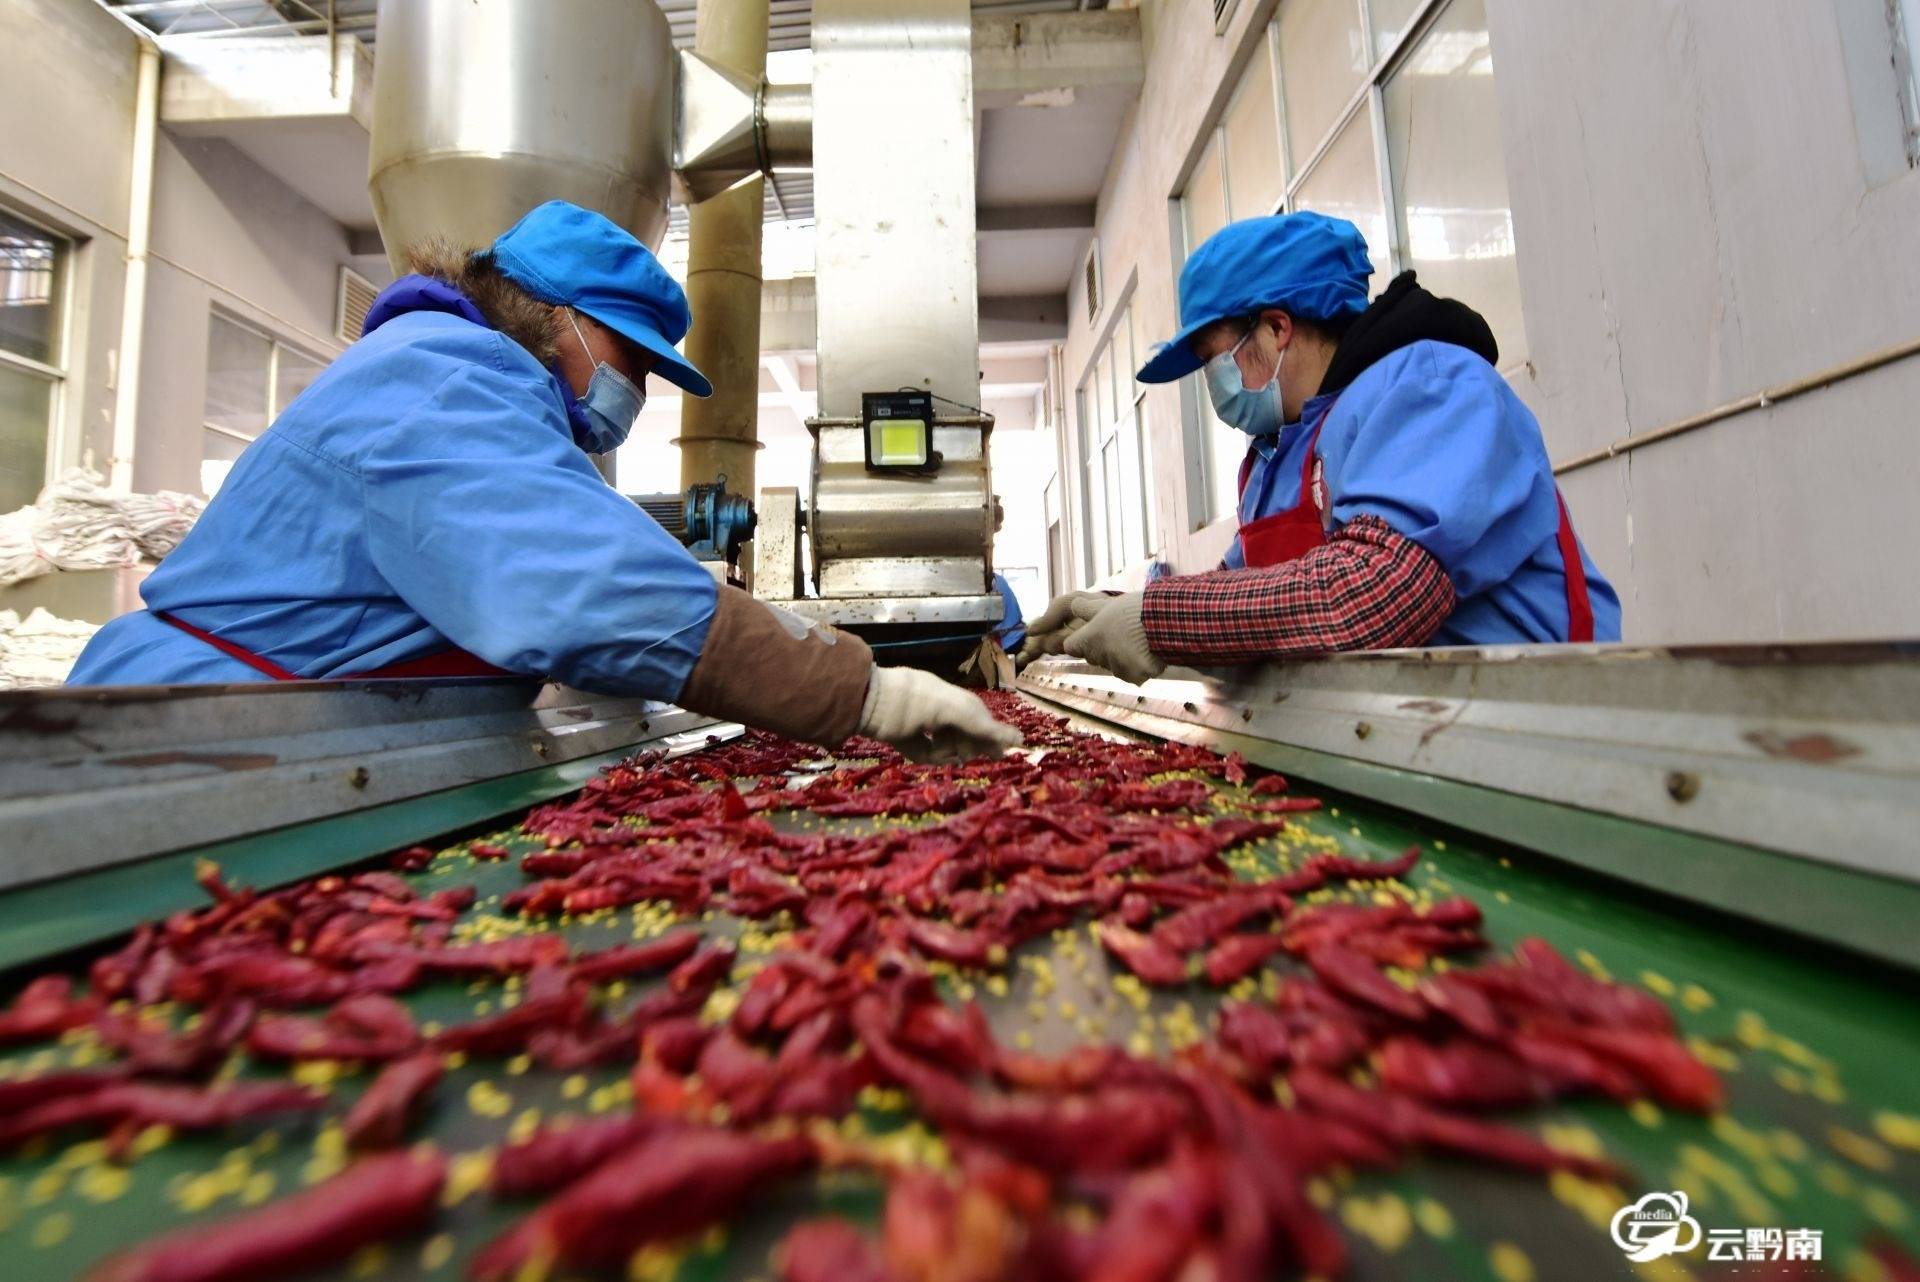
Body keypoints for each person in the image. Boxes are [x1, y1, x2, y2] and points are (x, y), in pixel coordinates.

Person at [68, 200, 1016, 762]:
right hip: (192, 743)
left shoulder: (475, 394)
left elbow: (594, 545)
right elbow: (591, 588)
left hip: (279, 732)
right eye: (631, 361)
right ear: (556, 320)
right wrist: (861, 694)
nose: (633, 392)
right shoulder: (440, 376)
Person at [1020, 211, 1619, 684]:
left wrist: (1159, 618)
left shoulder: (1432, 387)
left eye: (1214, 359)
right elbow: (1243, 595)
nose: (1213, 383)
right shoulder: (1277, 454)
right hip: (1384, 734)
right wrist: (1110, 608)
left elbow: (1377, 589)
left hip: (1531, 723)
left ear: (1278, 327)